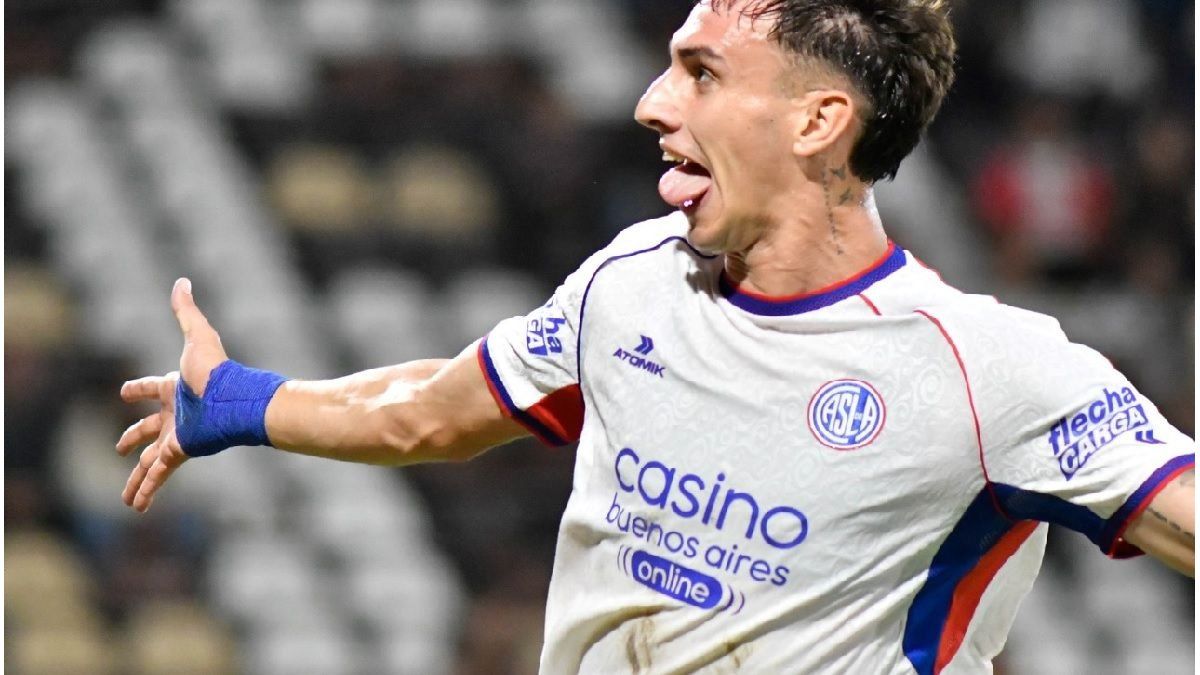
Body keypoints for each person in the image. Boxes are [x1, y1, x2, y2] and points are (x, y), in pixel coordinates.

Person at [117, 1, 1194, 672]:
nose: (648, 102)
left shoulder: (985, 370)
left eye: (700, 72)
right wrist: (244, 402)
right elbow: (436, 412)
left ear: (819, 122)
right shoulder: (634, 280)